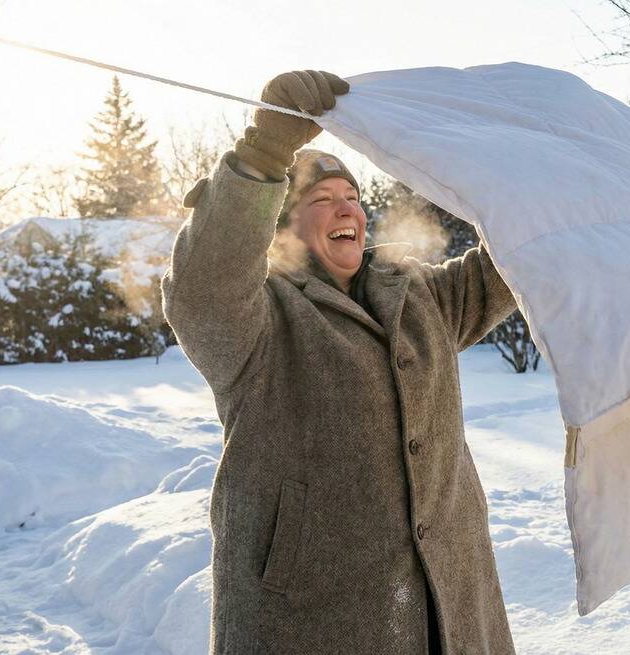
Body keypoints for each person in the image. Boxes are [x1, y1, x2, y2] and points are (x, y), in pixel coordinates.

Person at [161, 70, 518, 654]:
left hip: (451, 601)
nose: (345, 208)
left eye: (352, 198)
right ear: (281, 225)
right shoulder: (258, 319)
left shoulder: (421, 295)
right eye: (322, 201)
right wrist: (267, 149)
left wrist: (533, 172)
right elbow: (204, 288)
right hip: (313, 615)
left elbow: (515, 259)